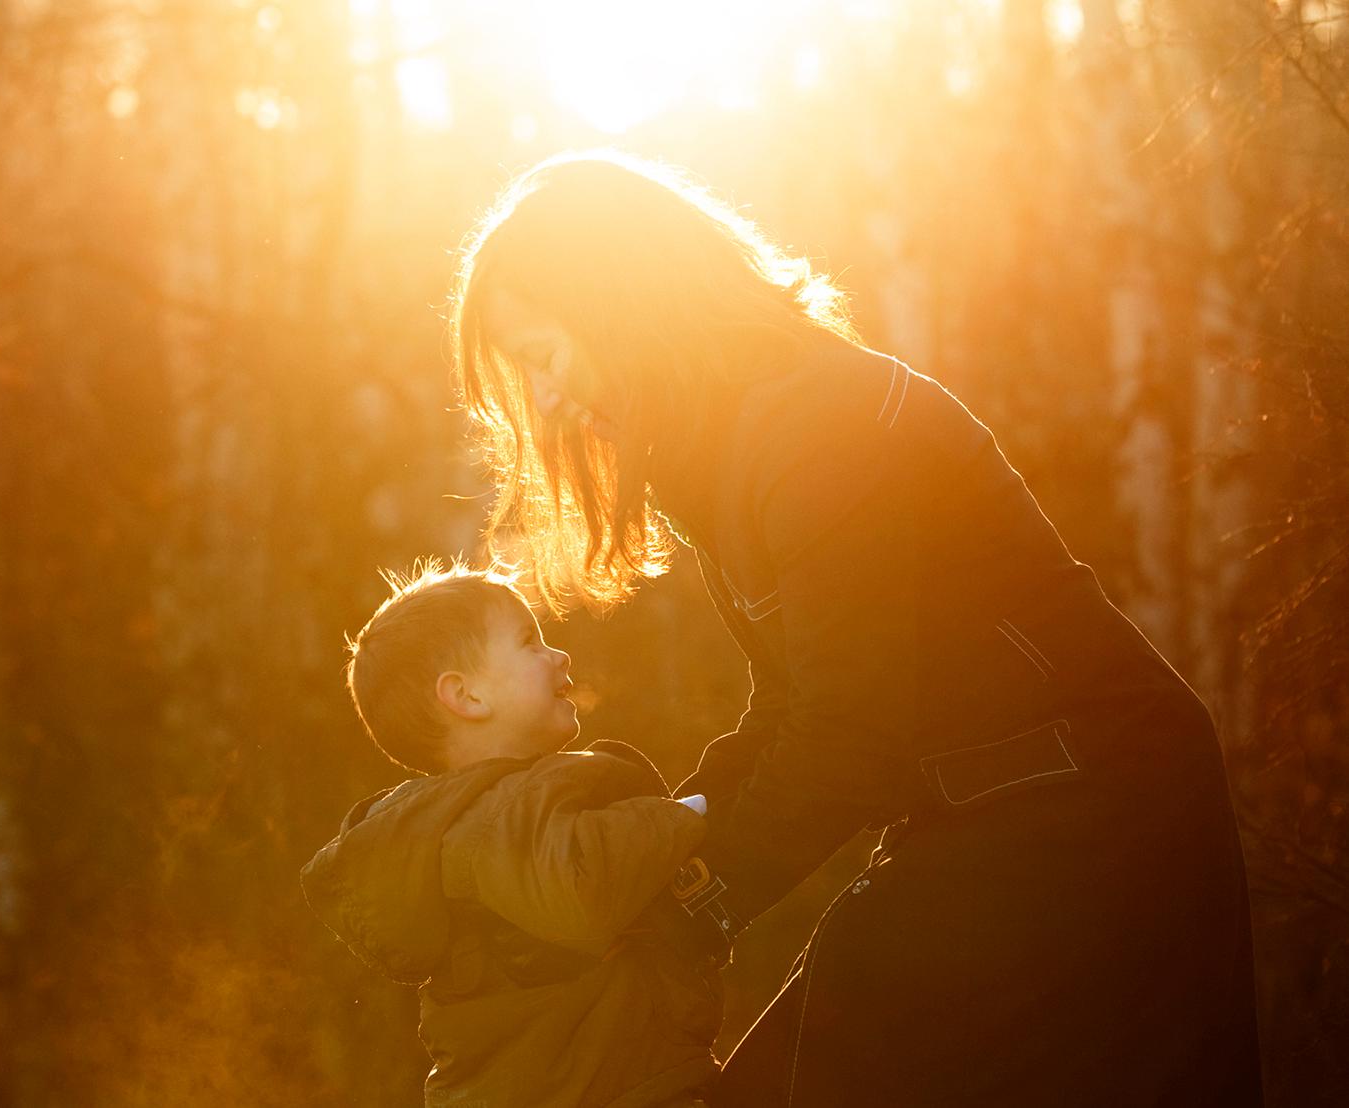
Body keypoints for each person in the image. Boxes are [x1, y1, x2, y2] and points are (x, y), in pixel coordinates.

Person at [448, 150, 1263, 1106]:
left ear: (623, 301)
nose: (545, 398)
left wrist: (688, 903)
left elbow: (846, 733)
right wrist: (657, 846)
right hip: (991, 812)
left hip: (1086, 814)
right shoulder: (728, 444)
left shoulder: (820, 428)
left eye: (544, 355)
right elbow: (791, 705)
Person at [301, 561, 724, 1108]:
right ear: (468, 697)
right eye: (530, 643)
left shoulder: (480, 818)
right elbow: (579, 885)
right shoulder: (491, 823)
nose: (560, 655)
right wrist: (685, 814)